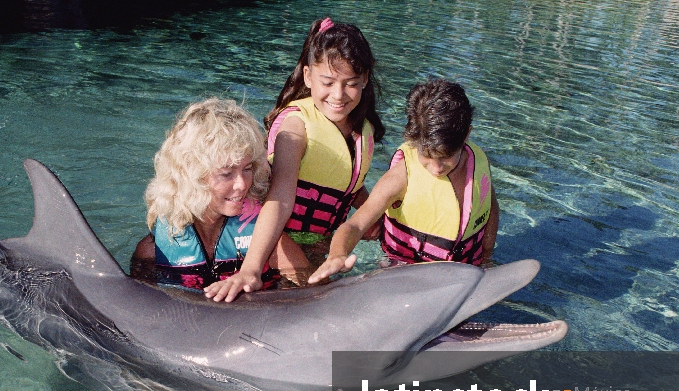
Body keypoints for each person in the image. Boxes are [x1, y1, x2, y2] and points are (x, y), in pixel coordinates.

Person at [204, 17, 385, 301]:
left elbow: (346, 182)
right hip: (272, 235)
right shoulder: (295, 128)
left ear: (364, 79)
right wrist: (251, 268)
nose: (338, 95)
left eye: (350, 83)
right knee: (317, 298)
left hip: (319, 239)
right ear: (308, 76)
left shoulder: (362, 128)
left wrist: (374, 215)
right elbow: (282, 197)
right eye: (328, 82)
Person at [308, 78, 499, 284]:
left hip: (463, 273)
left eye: (446, 157)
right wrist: (338, 255)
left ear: (466, 135)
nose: (437, 167)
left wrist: (486, 257)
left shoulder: (478, 162)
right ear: (413, 140)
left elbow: (490, 206)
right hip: (403, 273)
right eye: (427, 156)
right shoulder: (402, 177)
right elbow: (355, 225)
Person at [130, 98, 305, 290]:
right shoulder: (153, 251)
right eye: (226, 173)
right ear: (192, 175)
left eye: (247, 169)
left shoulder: (268, 243)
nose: (242, 184)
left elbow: (314, 291)